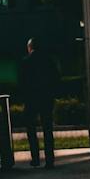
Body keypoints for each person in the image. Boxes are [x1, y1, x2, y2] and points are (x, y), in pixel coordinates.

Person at [18, 37, 61, 168]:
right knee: (47, 128)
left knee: (31, 129)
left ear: (30, 48)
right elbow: (56, 78)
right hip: (46, 98)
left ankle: (35, 158)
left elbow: (22, 83)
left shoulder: (26, 62)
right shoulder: (48, 61)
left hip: (31, 99)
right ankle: (49, 159)